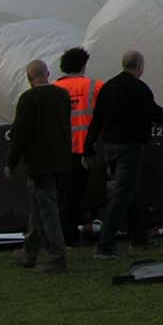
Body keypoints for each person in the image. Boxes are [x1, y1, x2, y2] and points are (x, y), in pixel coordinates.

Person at [87, 50, 163, 260]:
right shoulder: (139, 88)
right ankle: (105, 245)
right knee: (122, 195)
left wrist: (87, 147)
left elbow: (96, 119)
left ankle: (138, 238)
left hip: (109, 148)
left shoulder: (108, 87)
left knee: (129, 192)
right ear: (139, 67)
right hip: (129, 148)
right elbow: (153, 112)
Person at [6, 60, 73, 274]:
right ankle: (29, 252)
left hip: (39, 163)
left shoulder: (29, 99)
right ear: (48, 73)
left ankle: (57, 258)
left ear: (29, 78)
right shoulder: (62, 95)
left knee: (47, 211)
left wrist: (11, 162)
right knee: (39, 208)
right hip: (61, 161)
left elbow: (20, 135)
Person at [55, 47, 104, 246]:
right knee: (84, 194)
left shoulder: (53, 88)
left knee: (63, 195)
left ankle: (65, 234)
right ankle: (80, 232)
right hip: (87, 150)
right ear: (83, 65)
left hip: (61, 150)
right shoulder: (95, 86)